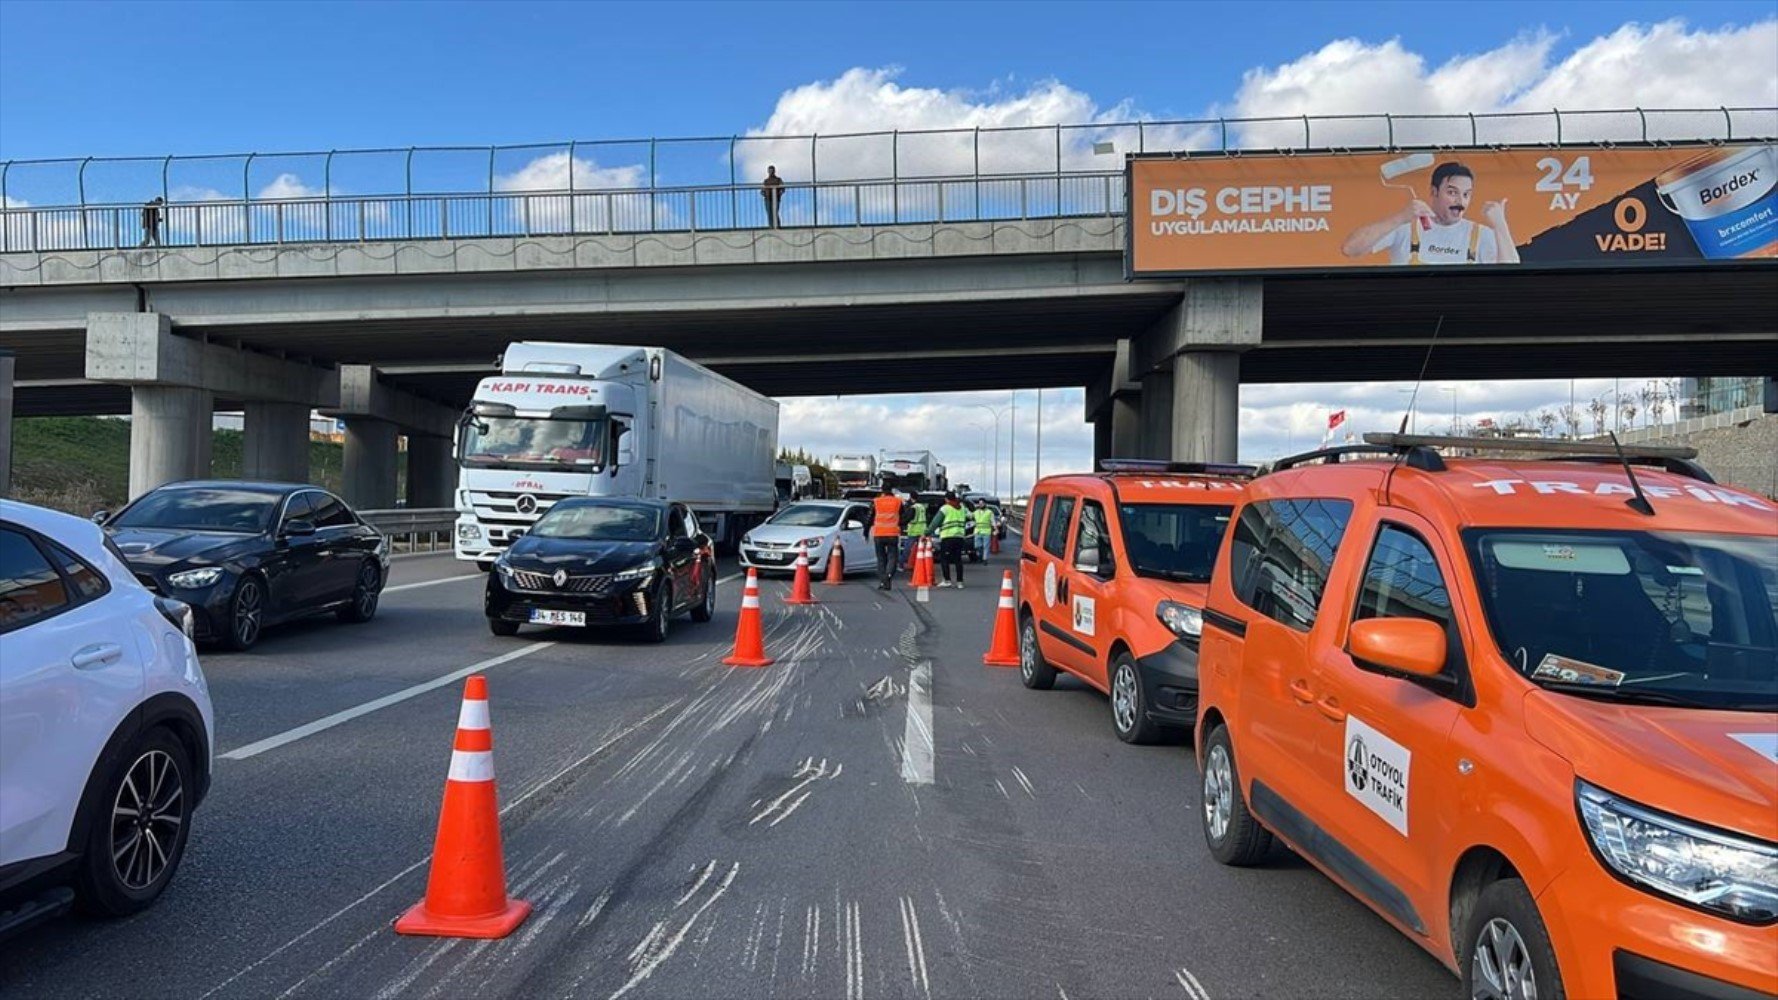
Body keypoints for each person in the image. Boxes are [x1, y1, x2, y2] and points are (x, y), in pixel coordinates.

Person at [1341, 161, 1518, 266]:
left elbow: (1513, 280)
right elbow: (1350, 249)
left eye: (1466, 194)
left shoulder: (1480, 235)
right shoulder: (1406, 227)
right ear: (1433, 192)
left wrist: (1500, 226)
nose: (1460, 201)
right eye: (1452, 192)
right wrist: (1400, 217)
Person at [932, 492, 969, 588]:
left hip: (947, 537)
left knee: (944, 559)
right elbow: (971, 516)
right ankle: (960, 582)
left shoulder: (945, 508)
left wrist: (927, 532)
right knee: (958, 560)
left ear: (946, 499)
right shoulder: (962, 508)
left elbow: (935, 522)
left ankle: (947, 580)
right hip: (960, 537)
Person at [871, 485, 903, 591]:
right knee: (892, 557)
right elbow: (903, 515)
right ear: (892, 491)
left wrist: (866, 531)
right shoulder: (898, 501)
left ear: (882, 491)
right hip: (892, 533)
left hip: (879, 533)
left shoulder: (876, 501)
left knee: (881, 558)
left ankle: (883, 581)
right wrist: (900, 525)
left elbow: (870, 517)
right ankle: (888, 576)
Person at [900, 494, 927, 570]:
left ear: (911, 498)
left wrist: (899, 522)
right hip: (922, 530)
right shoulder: (922, 506)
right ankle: (921, 565)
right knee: (921, 549)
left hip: (914, 531)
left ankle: (901, 564)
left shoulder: (914, 507)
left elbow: (908, 518)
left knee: (907, 549)